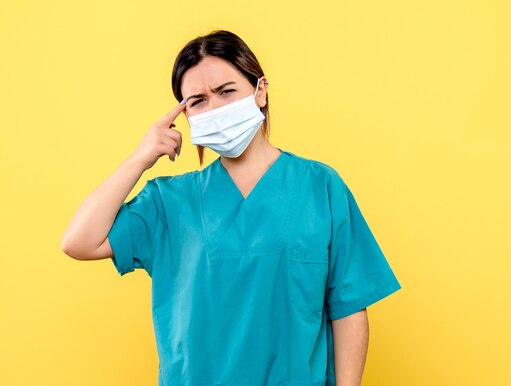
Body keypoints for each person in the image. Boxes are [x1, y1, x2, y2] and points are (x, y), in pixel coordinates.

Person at [61, 30, 402, 386]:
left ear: (260, 92)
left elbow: (348, 306)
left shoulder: (321, 187)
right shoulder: (168, 202)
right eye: (198, 101)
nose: (216, 108)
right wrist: (140, 158)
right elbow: (78, 241)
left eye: (226, 92)